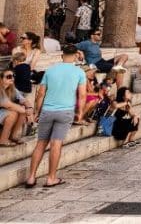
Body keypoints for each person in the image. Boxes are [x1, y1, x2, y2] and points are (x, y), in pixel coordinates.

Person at [25, 43, 86, 188]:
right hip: (65, 111)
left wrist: (36, 112)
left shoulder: (50, 71)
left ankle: (31, 177)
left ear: (62, 55)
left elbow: (40, 93)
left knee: (41, 143)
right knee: (56, 144)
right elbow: (82, 95)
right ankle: (51, 178)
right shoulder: (79, 72)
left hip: (47, 110)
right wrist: (81, 113)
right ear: (76, 56)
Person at [0, 67, 30, 146]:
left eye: (13, 76)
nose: (12, 78)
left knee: (21, 111)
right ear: (1, 78)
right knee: (13, 112)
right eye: (9, 77)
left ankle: (13, 136)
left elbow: (23, 100)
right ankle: (3, 140)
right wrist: (25, 111)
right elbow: (7, 104)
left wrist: (29, 108)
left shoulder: (12, 89)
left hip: (2, 113)